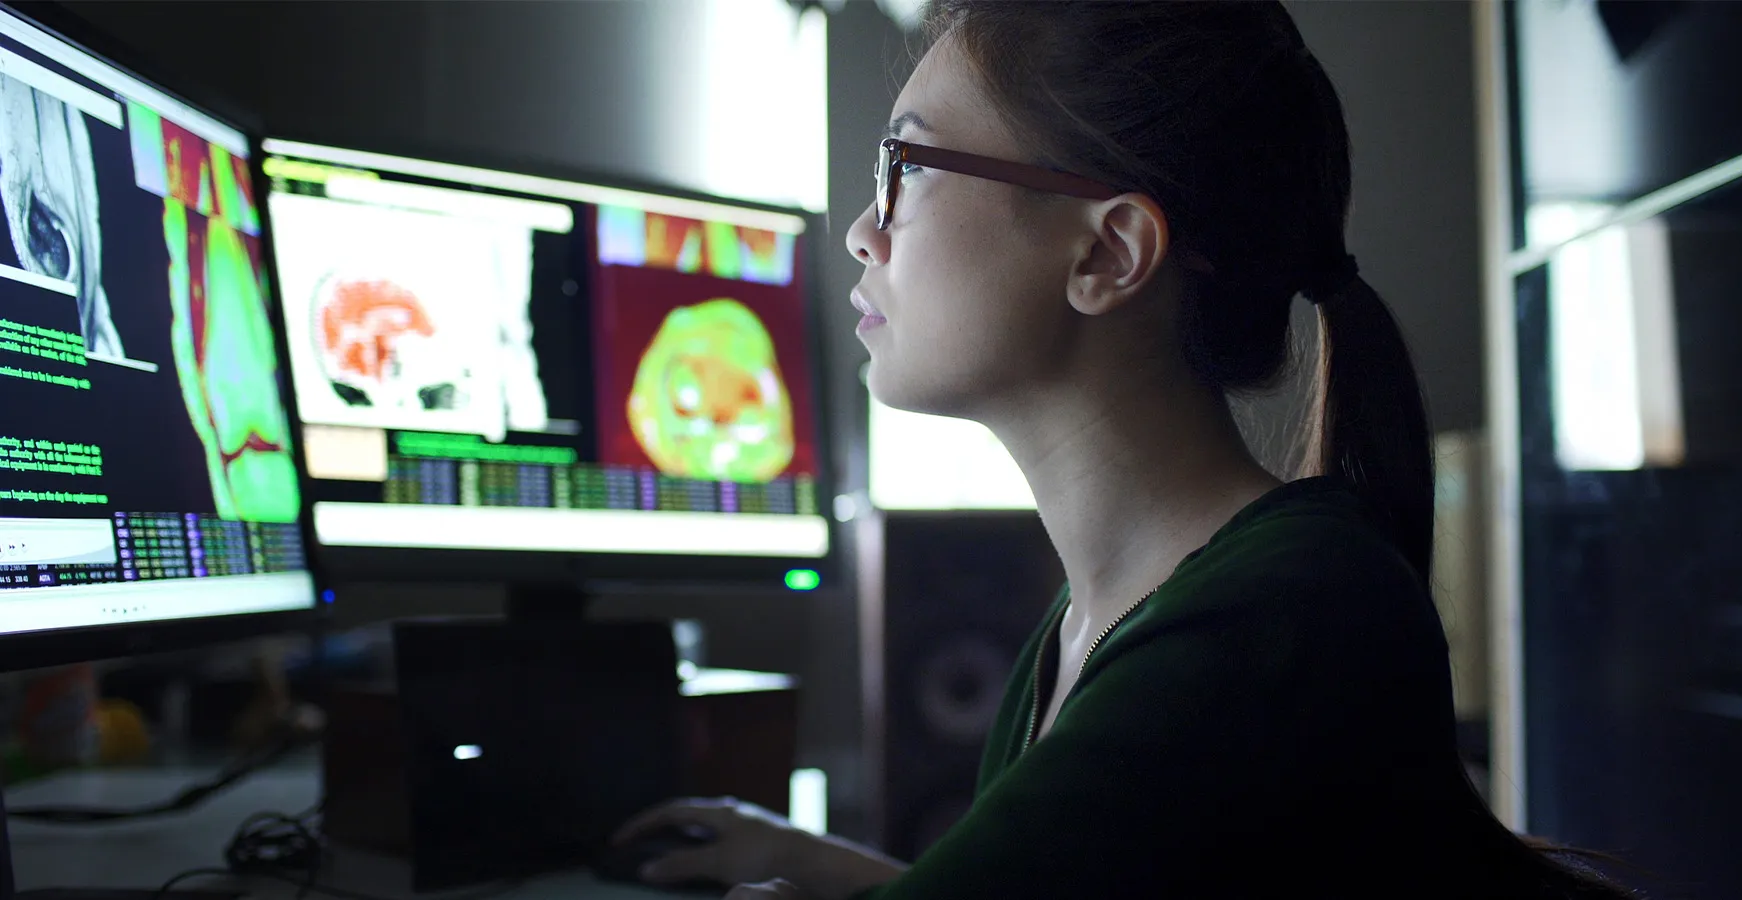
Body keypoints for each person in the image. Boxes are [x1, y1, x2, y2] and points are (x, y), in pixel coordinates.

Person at [613, 2, 1640, 897]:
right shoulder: (1086, 629)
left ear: (1109, 252)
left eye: (906, 169)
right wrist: (830, 865)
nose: (860, 233)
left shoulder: (1278, 615)